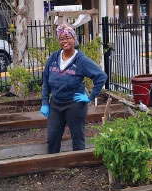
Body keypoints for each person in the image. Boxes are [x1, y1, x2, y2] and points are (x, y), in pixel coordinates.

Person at [41, 24, 105, 154]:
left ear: (74, 39)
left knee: (77, 137)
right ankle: (53, 166)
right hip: (56, 105)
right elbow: (46, 81)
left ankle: (78, 166)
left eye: (68, 37)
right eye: (61, 38)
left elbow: (101, 76)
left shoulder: (81, 60)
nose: (64, 41)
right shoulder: (53, 58)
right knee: (52, 137)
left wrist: (90, 97)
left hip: (74, 105)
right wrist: (44, 103)